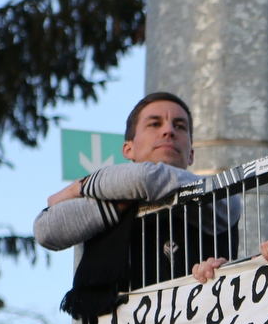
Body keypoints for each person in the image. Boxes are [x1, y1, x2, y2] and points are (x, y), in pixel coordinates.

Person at [34, 92, 241, 297]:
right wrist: (123, 202)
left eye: (179, 126)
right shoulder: (108, 200)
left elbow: (146, 177)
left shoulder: (218, 192)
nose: (169, 131)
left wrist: (77, 187)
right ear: (128, 150)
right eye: (155, 124)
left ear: (191, 155)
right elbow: (45, 230)